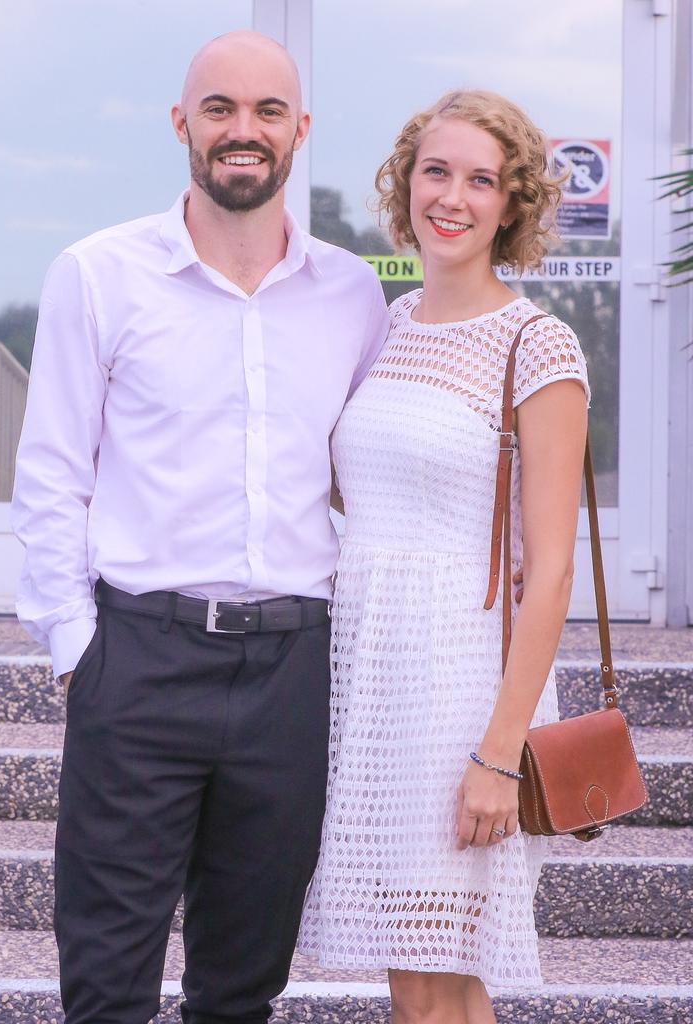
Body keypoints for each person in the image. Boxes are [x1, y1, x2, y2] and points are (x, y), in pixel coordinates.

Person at [11, 31, 390, 1024]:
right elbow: (51, 470)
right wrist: (75, 651)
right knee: (106, 975)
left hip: (291, 673)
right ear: (182, 124)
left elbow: (370, 474)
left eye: (267, 111)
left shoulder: (352, 294)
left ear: (299, 131)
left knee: (243, 983)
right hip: (138, 658)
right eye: (219, 108)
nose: (243, 131)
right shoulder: (98, 275)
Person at [298, 90, 590, 1024]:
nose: (453, 197)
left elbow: (548, 571)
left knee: (430, 984)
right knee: (428, 982)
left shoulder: (537, 344)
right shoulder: (386, 325)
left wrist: (499, 754)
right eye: (436, 171)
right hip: (373, 675)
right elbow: (365, 487)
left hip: (461, 687)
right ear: (405, 185)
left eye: (482, 179)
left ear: (514, 204)